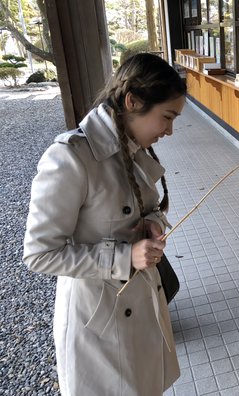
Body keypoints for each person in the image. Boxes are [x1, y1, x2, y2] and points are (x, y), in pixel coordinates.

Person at [23, 53, 186, 396]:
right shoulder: (70, 157)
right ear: (132, 102)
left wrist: (153, 224)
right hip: (98, 321)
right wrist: (125, 257)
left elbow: (149, 205)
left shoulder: (133, 146)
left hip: (139, 304)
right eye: (166, 118)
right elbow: (40, 254)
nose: (170, 131)